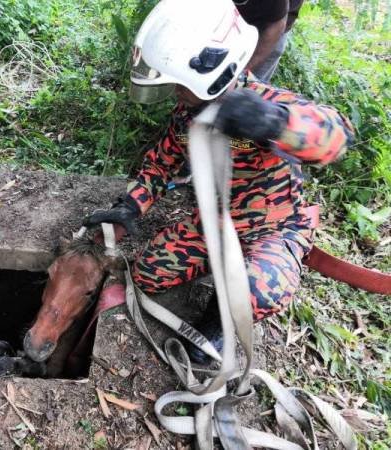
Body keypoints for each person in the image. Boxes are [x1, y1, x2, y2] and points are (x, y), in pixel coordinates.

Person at [84, 0, 354, 363]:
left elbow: (336, 134)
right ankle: (221, 268)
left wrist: (273, 123)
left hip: (272, 229)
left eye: (181, 84)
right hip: (213, 224)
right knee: (148, 274)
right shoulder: (188, 113)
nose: (176, 93)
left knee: (256, 290)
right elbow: (161, 162)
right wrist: (130, 204)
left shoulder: (263, 104)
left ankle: (219, 323)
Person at [236, 0, 304, 82]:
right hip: (239, 20)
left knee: (245, 83)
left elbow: (276, 26)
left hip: (270, 30)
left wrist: (242, 73)